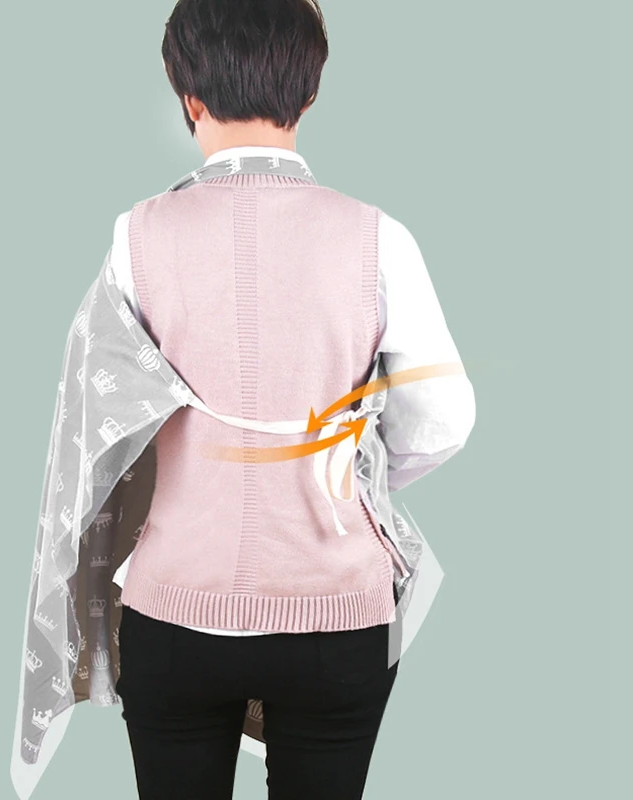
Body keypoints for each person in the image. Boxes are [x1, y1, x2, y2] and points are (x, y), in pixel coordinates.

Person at [108, 1, 476, 798]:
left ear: (188, 96)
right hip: (336, 612)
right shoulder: (380, 237)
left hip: (174, 608)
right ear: (309, 93)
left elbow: (106, 427)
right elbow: (443, 419)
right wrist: (347, 475)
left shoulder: (134, 237)